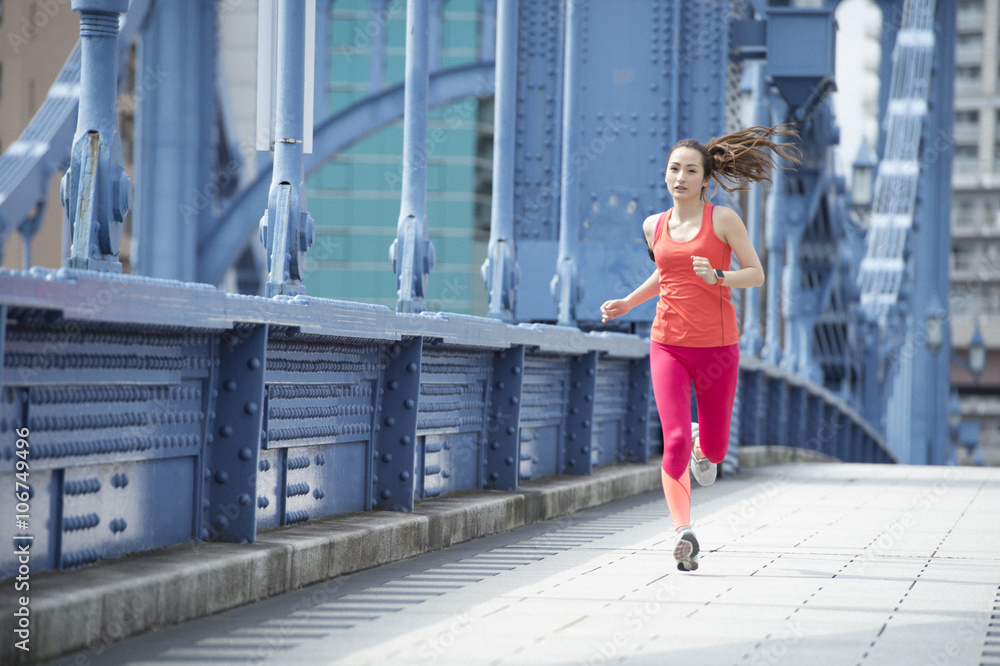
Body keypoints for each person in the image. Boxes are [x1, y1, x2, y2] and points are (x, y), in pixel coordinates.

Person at [600, 125, 800, 571]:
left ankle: (701, 445)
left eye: (691, 170)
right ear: (665, 175)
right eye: (674, 169)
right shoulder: (654, 225)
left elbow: (757, 274)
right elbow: (666, 276)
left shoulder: (724, 220)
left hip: (717, 347)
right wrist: (627, 302)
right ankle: (682, 531)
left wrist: (720, 278)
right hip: (667, 344)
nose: (681, 177)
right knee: (670, 439)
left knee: (715, 449)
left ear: (705, 180)